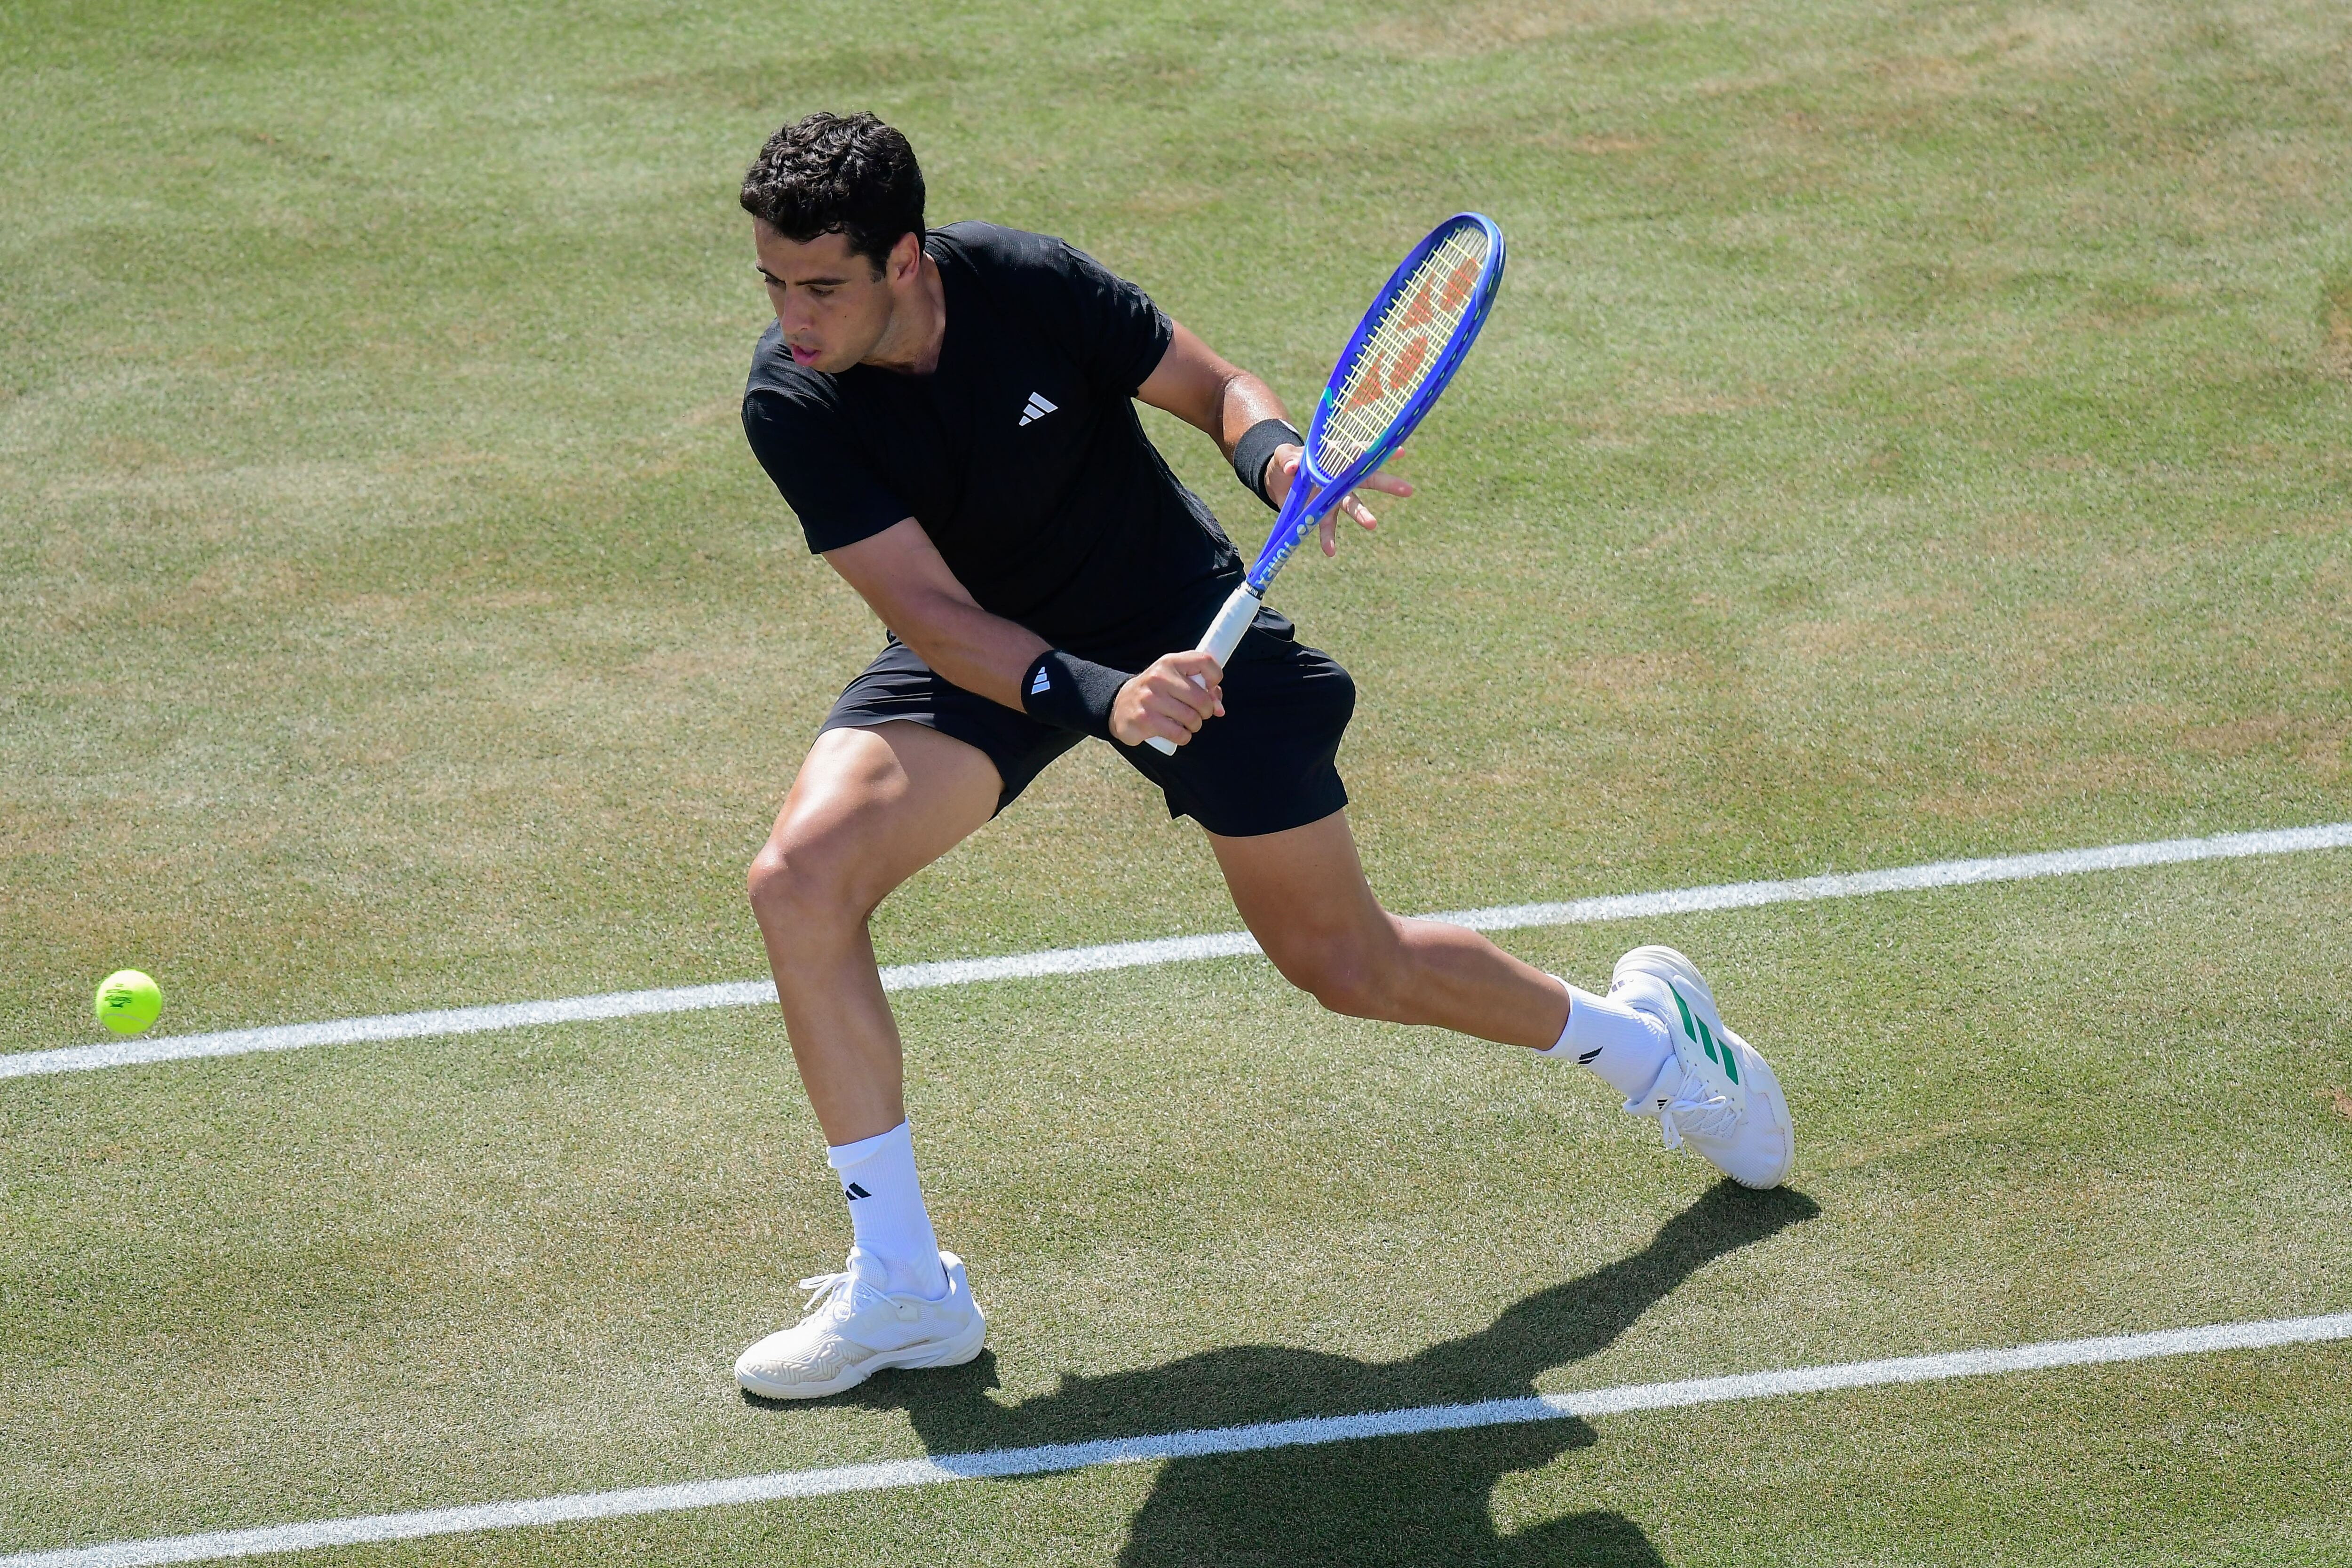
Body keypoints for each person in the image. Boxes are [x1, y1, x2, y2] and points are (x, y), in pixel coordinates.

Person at [729, 111, 1795, 1401]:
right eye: (775, 282)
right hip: (1001, 653)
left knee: (1348, 964)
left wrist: (1281, 456)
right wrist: (1103, 697)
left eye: (821, 284)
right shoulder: (795, 397)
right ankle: (901, 1285)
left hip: (1186, 631)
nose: (795, 312)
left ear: (906, 258)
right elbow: (937, 622)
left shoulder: (1023, 281)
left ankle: (1657, 1048)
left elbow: (1213, 387)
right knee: (801, 879)